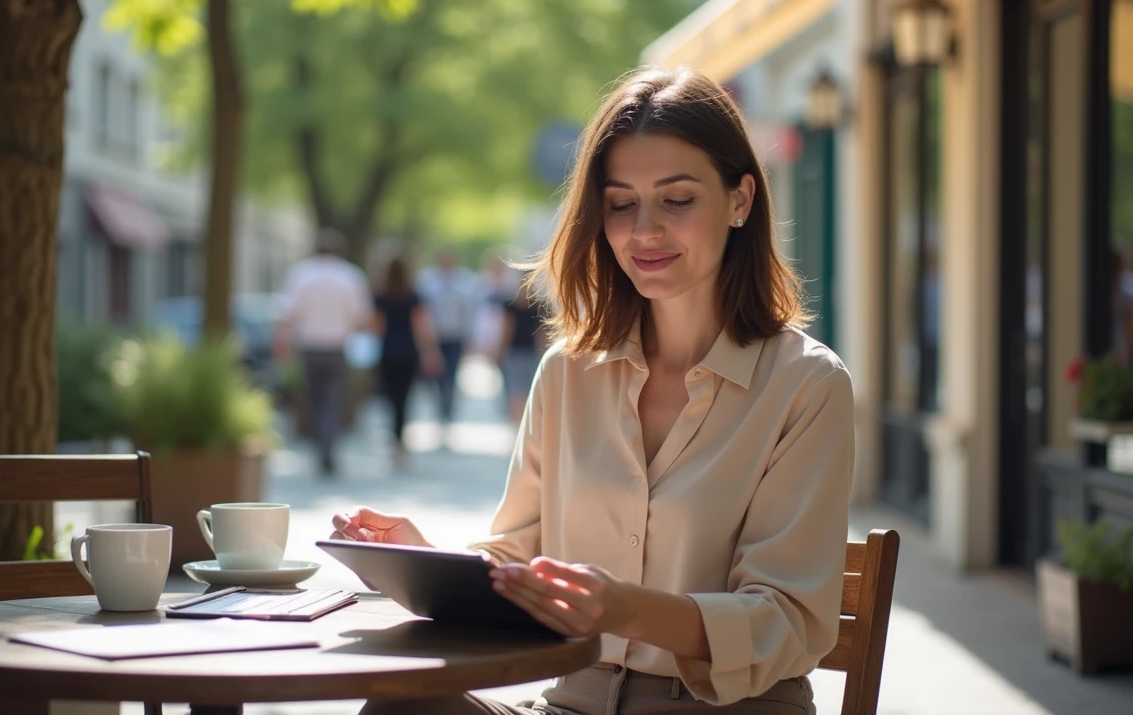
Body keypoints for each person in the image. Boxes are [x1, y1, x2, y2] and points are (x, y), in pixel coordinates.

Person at [332, 67, 854, 714]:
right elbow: (517, 556)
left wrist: (624, 609)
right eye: (621, 203)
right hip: (571, 703)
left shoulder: (808, 386)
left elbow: (785, 620)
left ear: (741, 200)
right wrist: (428, 567)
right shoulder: (567, 373)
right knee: (402, 705)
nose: (644, 232)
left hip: (724, 708)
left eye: (678, 199)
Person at [275, 228, 372, 476]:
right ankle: (327, 446)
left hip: (308, 348)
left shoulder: (301, 274)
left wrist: (283, 345)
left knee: (313, 399)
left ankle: (321, 445)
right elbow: (362, 317)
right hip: (337, 348)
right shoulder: (350, 276)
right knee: (333, 400)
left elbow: (287, 315)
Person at [372, 255, 444, 469]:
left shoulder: (380, 297)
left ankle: (394, 440)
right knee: (404, 400)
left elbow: (376, 327)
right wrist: (431, 352)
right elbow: (422, 328)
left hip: (386, 353)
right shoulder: (413, 297)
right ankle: (399, 445)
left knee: (391, 400)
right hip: (408, 354)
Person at [417, 248, 480, 437]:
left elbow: (470, 313)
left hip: (455, 337)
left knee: (451, 374)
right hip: (433, 337)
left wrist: (470, 337)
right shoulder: (426, 281)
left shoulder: (466, 282)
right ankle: (438, 407)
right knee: (432, 376)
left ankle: (447, 411)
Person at [495, 273, 547, 425]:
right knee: (527, 390)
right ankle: (523, 423)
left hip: (518, 352)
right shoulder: (539, 305)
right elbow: (542, 334)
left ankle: (518, 424)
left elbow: (506, 331)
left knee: (516, 390)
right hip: (527, 353)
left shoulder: (513, 304)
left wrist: (500, 351)